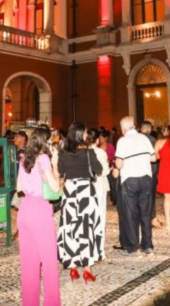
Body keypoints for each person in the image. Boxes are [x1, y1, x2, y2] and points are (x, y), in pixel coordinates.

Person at [17, 127, 61, 305]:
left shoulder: (24, 159)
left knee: (29, 264)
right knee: (49, 262)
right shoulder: (43, 158)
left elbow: (19, 187)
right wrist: (55, 164)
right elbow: (56, 188)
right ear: (45, 141)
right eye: (50, 140)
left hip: (25, 209)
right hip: (40, 210)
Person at [57, 122, 104, 281]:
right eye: (84, 133)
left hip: (70, 191)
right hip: (85, 192)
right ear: (79, 134)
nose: (86, 135)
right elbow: (99, 170)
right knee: (86, 227)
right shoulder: (89, 153)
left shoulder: (63, 153)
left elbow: (61, 172)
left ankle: (72, 267)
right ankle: (87, 268)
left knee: (70, 227)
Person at [115, 116, 156, 257]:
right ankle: (147, 246)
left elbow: (119, 164)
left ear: (124, 128)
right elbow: (153, 158)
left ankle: (134, 247)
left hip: (130, 180)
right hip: (145, 179)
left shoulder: (123, 141)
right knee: (145, 213)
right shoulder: (144, 139)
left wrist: (117, 163)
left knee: (131, 214)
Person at [88, 128, 111, 257]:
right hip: (99, 186)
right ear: (97, 140)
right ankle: (99, 250)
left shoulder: (81, 152)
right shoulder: (100, 152)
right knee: (100, 217)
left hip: (86, 186)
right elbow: (105, 171)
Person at [139, 121, 160, 228]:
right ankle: (152, 218)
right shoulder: (153, 140)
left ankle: (139, 218)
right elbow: (156, 157)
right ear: (149, 129)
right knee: (150, 196)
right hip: (151, 171)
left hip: (137, 171)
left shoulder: (134, 139)